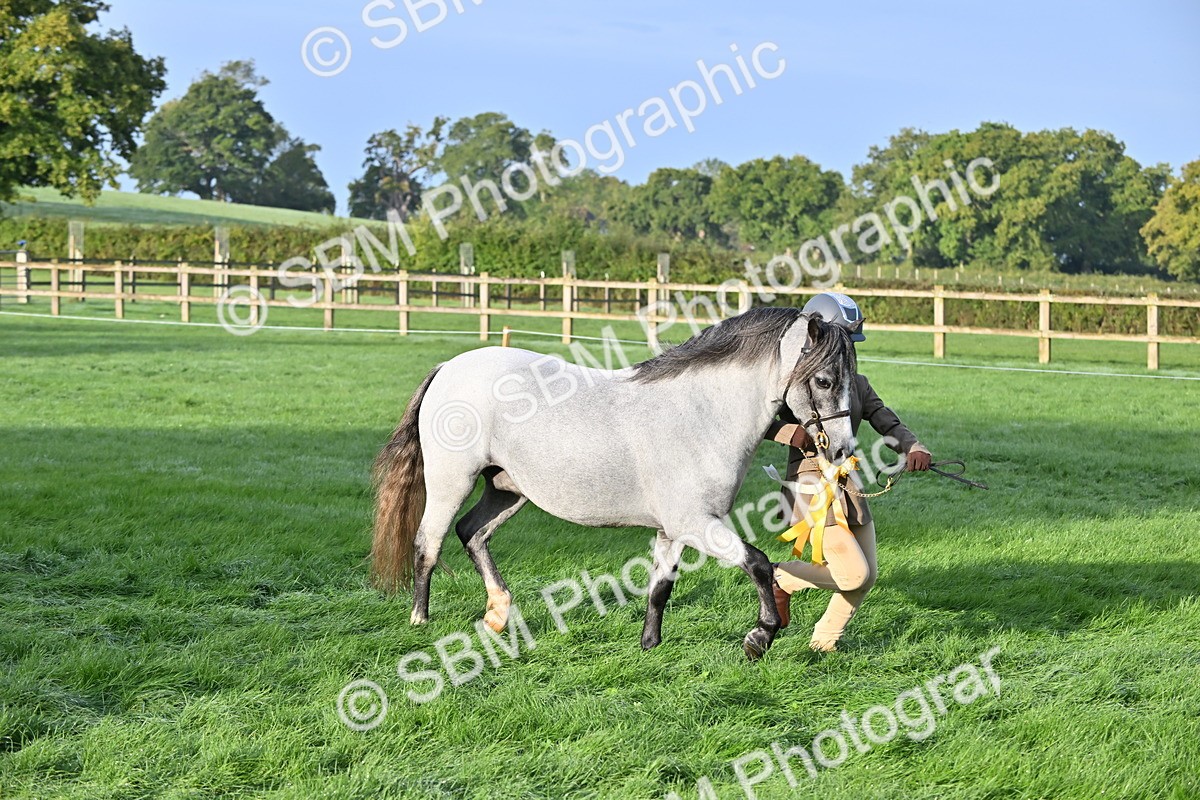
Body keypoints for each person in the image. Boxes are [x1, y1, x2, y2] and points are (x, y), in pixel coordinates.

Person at [763, 292, 931, 652]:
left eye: (850, 343)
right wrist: (787, 432)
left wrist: (913, 446)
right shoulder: (794, 382)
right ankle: (779, 577)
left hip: (847, 483)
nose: (848, 351)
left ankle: (824, 644)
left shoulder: (858, 383)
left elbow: (886, 420)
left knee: (866, 576)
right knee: (853, 574)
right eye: (842, 341)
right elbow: (758, 420)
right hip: (810, 483)